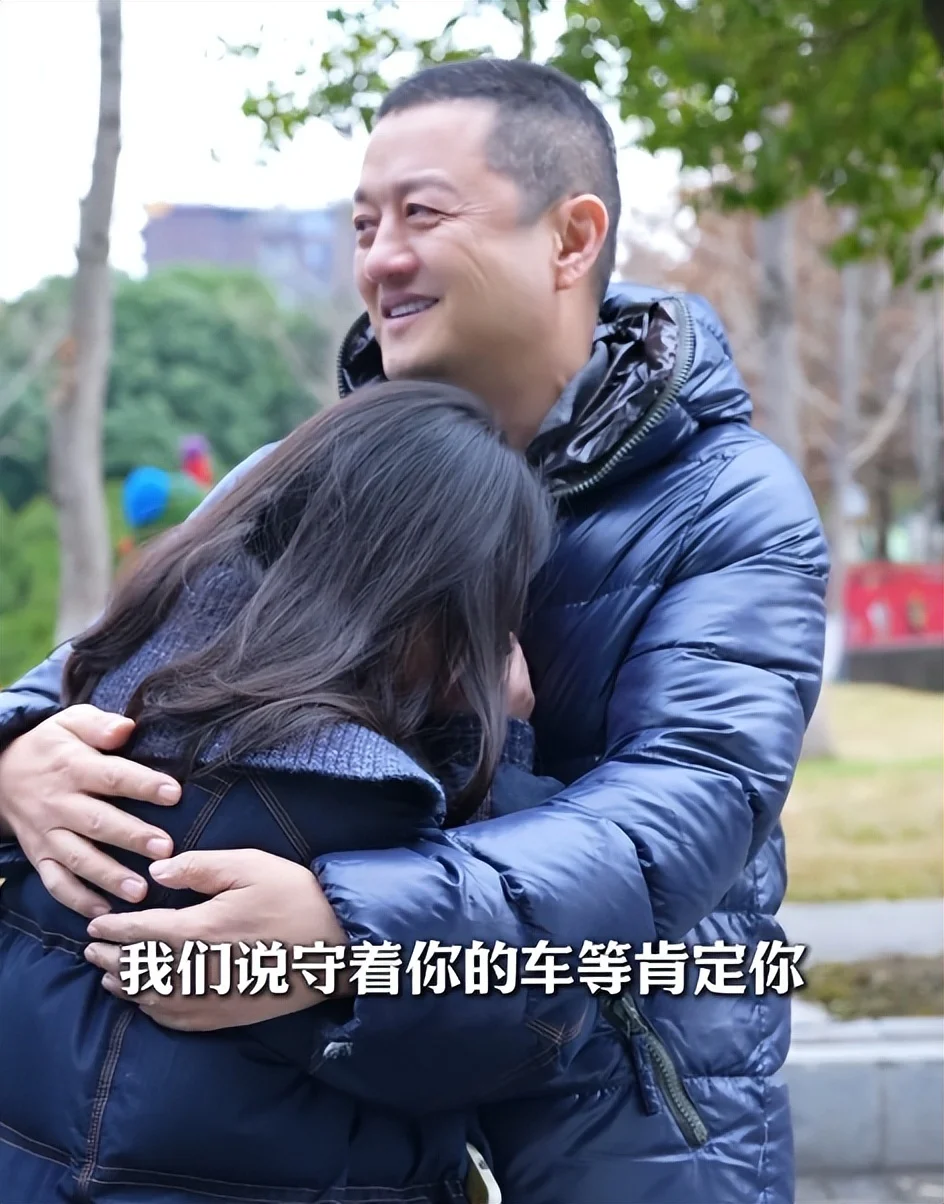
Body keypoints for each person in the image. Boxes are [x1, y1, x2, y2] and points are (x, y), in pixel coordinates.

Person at [0, 58, 829, 1203]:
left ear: (571, 237)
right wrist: (20, 755)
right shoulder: (304, 468)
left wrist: (351, 932)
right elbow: (113, 665)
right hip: (318, 1119)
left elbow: (681, 810)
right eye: (362, 223)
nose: (380, 257)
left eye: (421, 214)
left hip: (622, 1119)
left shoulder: (725, 501)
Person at [0, 380, 579, 1202]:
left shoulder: (87, 732)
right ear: (444, 603)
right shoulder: (379, 812)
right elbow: (522, 1035)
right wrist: (506, 749)